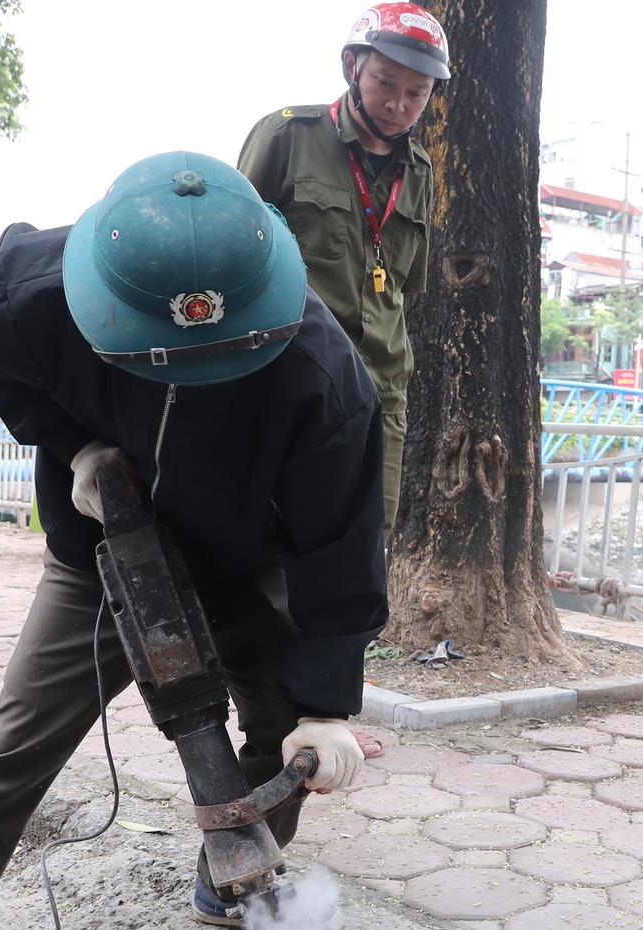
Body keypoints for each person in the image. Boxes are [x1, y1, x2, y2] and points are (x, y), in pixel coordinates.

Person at [0, 151, 388, 930]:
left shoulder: (320, 374)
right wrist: (75, 449)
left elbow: (342, 540)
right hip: (99, 549)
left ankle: (233, 876)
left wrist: (327, 708)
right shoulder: (31, 294)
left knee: (279, 720)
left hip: (242, 559)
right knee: (17, 739)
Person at [238, 2, 450, 540]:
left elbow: (401, 288)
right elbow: (235, 259)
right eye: (385, 83)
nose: (398, 105)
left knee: (366, 544)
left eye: (417, 93)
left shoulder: (420, 172)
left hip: (382, 391)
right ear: (351, 65)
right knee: (272, 539)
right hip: (291, 380)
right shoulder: (287, 135)